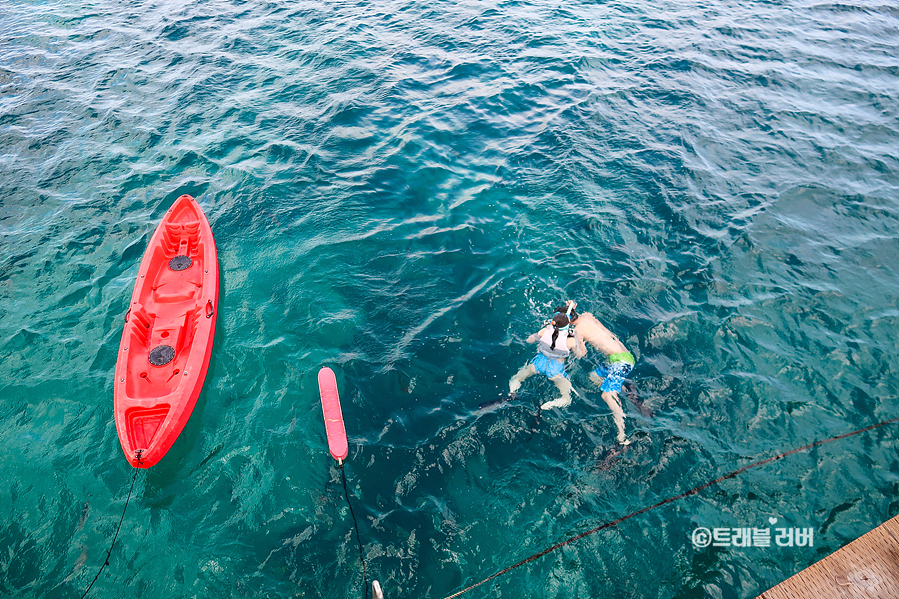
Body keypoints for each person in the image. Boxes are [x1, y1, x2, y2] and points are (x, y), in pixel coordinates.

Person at [569, 304, 635, 445]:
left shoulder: (577, 331)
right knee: (594, 376)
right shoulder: (587, 315)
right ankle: (623, 386)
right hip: (621, 355)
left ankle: (622, 435)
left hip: (621, 361)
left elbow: (581, 354)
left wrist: (573, 344)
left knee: (606, 395)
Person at [508, 303, 584, 410]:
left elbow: (529, 340)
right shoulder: (570, 341)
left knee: (517, 378)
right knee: (567, 399)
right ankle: (545, 406)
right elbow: (579, 355)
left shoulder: (544, 331)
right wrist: (580, 342)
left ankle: (512, 393)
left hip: (538, 364)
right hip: (555, 371)